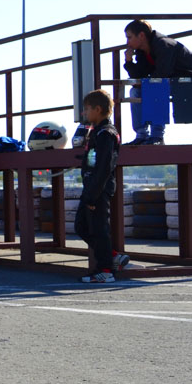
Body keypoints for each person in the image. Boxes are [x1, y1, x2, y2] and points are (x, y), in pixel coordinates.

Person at [123, 19, 192, 145]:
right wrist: (129, 62)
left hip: (190, 81)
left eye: (129, 37)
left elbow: (163, 73)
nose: (127, 42)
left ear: (141, 35)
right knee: (135, 91)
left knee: (156, 87)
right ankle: (142, 135)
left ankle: (157, 136)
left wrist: (145, 83)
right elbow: (139, 75)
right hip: (170, 82)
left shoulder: (164, 45)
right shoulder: (142, 51)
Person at [75, 90, 126, 283]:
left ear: (98, 109)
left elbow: (104, 167)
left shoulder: (107, 134)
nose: (84, 113)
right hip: (90, 187)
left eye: (87, 109)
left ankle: (106, 270)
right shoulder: (96, 131)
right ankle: (112, 256)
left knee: (99, 229)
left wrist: (92, 196)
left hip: (98, 190)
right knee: (81, 226)